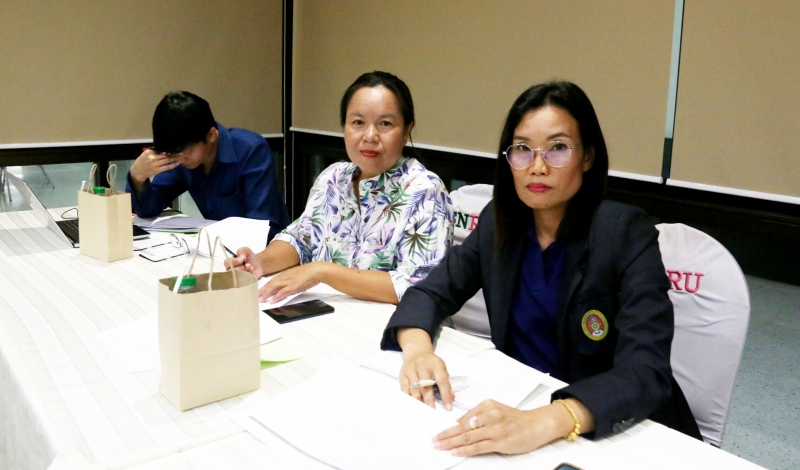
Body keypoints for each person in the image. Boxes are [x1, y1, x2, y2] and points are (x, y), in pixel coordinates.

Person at [381, 81, 701, 456]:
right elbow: (430, 292)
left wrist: (545, 421)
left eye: (558, 148)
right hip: (523, 403)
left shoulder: (625, 232)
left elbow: (646, 370)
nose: (537, 166)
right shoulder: (498, 223)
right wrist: (418, 351)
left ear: (587, 157)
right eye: (522, 149)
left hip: (614, 427)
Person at [226, 71, 453, 304]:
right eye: (358, 122)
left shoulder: (425, 191)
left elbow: (419, 286)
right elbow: (300, 239)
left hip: (394, 321)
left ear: (406, 131)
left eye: (385, 123)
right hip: (330, 314)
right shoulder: (333, 178)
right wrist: (259, 262)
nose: (370, 136)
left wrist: (322, 272)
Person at [126, 91, 290, 240]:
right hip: (219, 248)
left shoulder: (250, 149)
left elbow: (262, 226)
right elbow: (148, 209)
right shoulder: (182, 157)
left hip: (268, 251)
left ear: (211, 135)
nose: (179, 158)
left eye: (186, 150)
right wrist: (137, 176)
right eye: (173, 152)